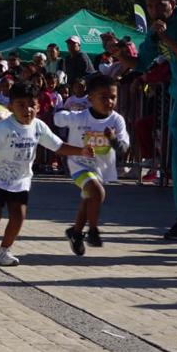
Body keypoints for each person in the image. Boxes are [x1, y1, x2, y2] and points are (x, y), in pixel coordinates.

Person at [0, 82, 94, 266]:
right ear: (11, 107)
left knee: (18, 216)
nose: (27, 109)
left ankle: (3, 251)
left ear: (38, 107)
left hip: (20, 180)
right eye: (21, 105)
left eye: (32, 104)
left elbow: (58, 146)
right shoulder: (3, 128)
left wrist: (81, 151)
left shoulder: (39, 127)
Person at [115, 0, 177, 238]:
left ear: (172, 3)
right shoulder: (155, 31)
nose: (154, 10)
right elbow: (140, 64)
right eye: (150, 6)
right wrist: (118, 53)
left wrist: (164, 37)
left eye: (160, 5)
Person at [54, 74, 129, 255]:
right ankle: (93, 231)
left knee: (89, 199)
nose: (109, 102)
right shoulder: (80, 117)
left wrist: (113, 139)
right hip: (79, 164)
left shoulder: (116, 120)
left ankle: (76, 232)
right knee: (97, 192)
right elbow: (58, 118)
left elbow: (123, 148)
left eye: (113, 97)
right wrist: (63, 113)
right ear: (90, 99)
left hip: (101, 169)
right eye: (103, 97)